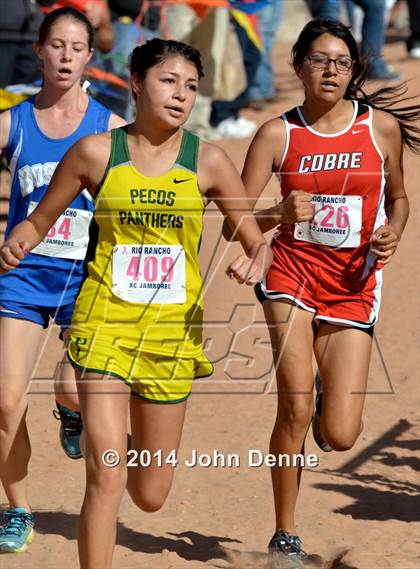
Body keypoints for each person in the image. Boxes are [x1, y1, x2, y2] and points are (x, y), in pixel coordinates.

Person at [0, 38, 272, 568]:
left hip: (171, 340)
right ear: (136, 84)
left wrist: (256, 258)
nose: (181, 95)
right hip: (104, 328)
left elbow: (253, 236)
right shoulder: (95, 153)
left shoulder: (209, 161)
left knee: (149, 493)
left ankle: (99, 423)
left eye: (191, 86)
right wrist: (20, 240)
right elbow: (39, 217)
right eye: (168, 81)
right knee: (105, 473)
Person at [238, 19, 420, 568]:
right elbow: (236, 221)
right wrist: (277, 212)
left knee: (341, 435)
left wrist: (394, 229)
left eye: (342, 62)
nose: (331, 71)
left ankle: (327, 407)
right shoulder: (277, 134)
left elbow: (400, 198)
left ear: (355, 70)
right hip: (290, 275)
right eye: (320, 60)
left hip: (352, 285)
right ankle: (285, 533)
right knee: (293, 403)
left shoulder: (379, 129)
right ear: (298, 66)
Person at [0, 6, 124, 554]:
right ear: (40, 52)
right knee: (4, 403)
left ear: (91, 59)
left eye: (78, 47)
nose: (67, 55)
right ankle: (18, 508)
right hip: (23, 278)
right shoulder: (11, 123)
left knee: (74, 390)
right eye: (58, 45)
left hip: (85, 280)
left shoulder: (110, 129)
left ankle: (69, 411)